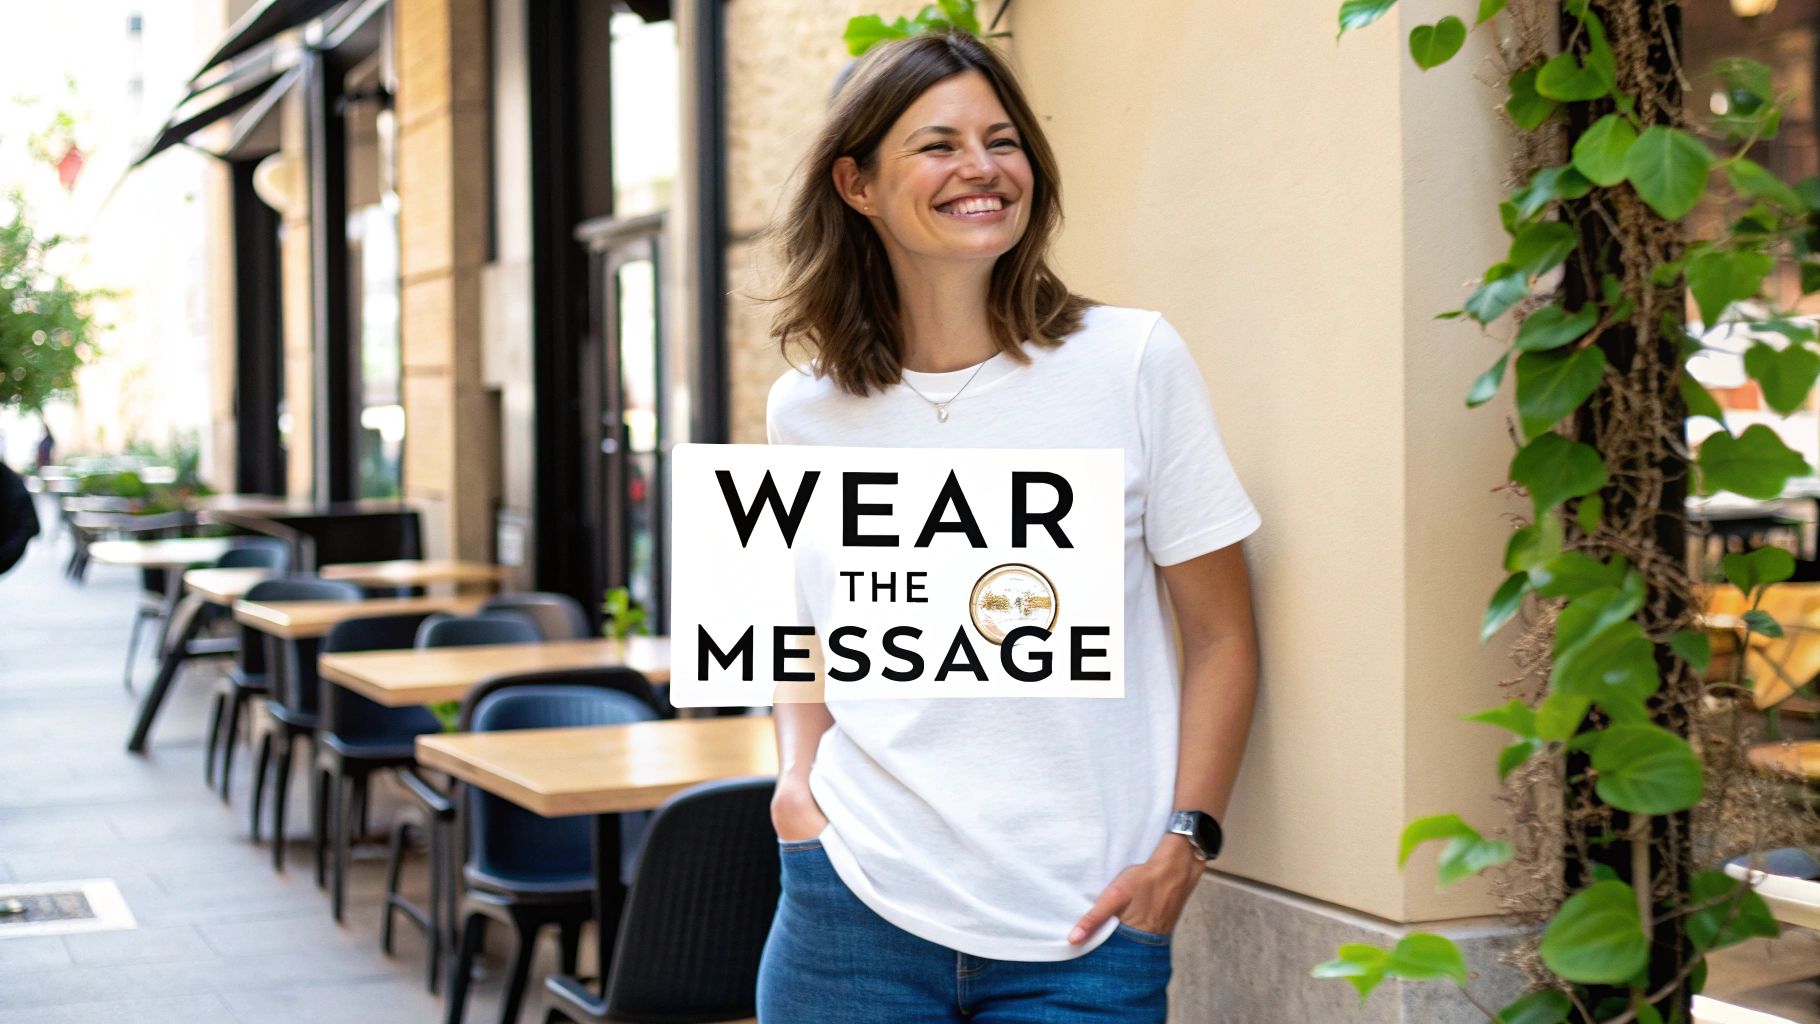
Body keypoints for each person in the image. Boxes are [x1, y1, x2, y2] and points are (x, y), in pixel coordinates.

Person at [754, 30, 1262, 1023]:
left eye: (1001, 139)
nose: (981, 169)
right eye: (937, 144)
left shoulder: (1129, 362)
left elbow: (1222, 634)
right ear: (855, 184)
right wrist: (794, 788)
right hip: (847, 914)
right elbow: (800, 632)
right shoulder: (804, 409)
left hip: (1080, 935)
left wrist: (1183, 842)